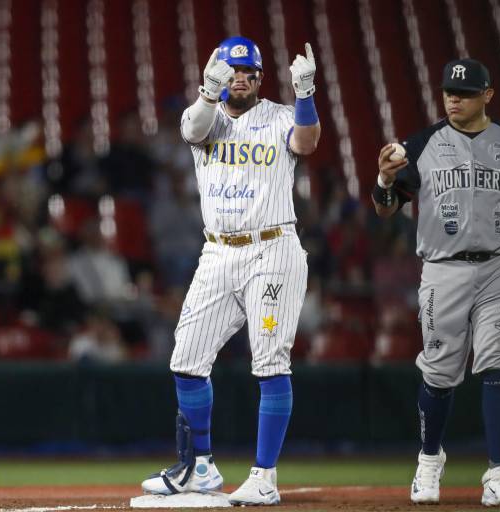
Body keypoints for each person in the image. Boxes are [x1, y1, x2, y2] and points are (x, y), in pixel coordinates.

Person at [372, 58, 500, 507]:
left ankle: (498, 473)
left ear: (488, 95)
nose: (454, 99)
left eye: (464, 93)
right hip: (443, 268)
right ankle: (429, 460)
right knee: (439, 371)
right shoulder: (421, 144)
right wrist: (384, 178)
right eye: (449, 92)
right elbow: (386, 208)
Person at [141, 36, 320, 506]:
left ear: (260, 78)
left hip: (272, 249)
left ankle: (265, 475)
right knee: (185, 359)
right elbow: (193, 130)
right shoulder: (204, 115)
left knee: (270, 361)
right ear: (218, 74)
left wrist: (305, 95)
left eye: (248, 73)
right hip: (218, 252)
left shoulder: (281, 116)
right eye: (232, 71)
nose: (240, 79)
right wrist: (207, 91)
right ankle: (200, 467)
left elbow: (306, 142)